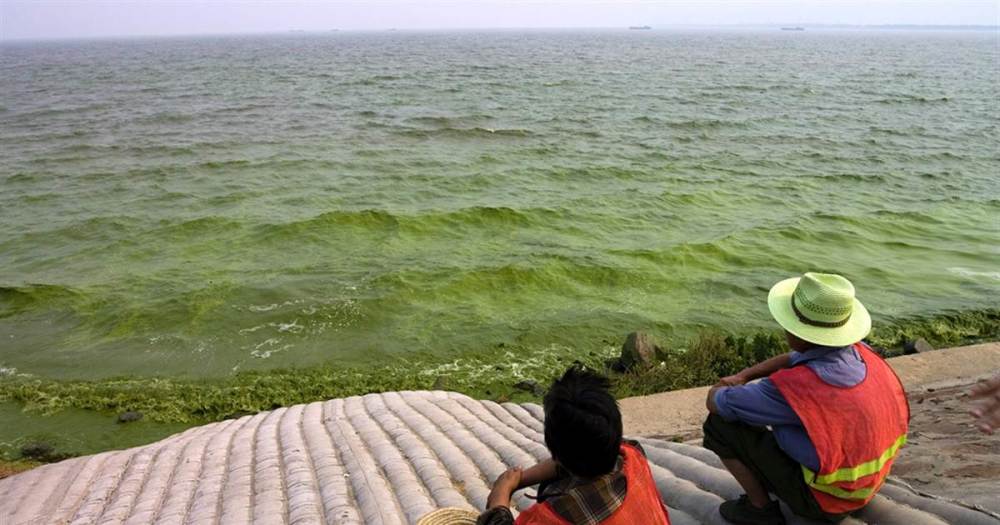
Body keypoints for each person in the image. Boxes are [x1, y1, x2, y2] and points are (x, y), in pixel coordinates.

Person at [703, 272, 909, 524]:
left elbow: (716, 402)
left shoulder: (795, 388)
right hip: (866, 483)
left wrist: (724, 385)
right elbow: (793, 358)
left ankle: (760, 510)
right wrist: (746, 374)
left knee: (718, 426)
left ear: (798, 333)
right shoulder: (862, 354)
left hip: (824, 502)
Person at [477, 365, 671, 525]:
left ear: (554, 450)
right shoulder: (633, 455)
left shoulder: (551, 519)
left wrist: (501, 495)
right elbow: (583, 450)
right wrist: (521, 478)